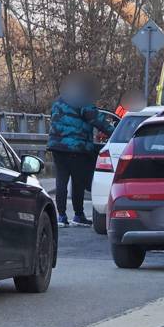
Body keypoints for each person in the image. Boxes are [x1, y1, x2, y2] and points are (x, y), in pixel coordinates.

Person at [47, 73, 115, 227]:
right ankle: (78, 215)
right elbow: (97, 120)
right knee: (78, 181)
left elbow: (54, 117)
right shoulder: (83, 101)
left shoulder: (59, 100)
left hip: (57, 146)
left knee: (61, 181)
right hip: (76, 148)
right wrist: (115, 133)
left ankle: (62, 216)